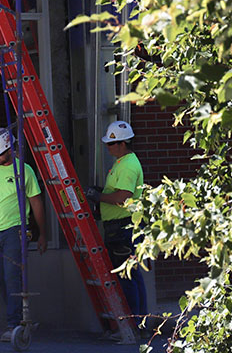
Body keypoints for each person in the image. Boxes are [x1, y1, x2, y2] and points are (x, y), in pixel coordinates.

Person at [0, 127, 47, 342]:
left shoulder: (24, 171)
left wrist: (43, 233)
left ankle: (15, 324)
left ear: (11, 149)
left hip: (17, 231)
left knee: (13, 278)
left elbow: (36, 203)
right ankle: (23, 318)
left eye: (1, 154)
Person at [85, 120, 148, 322]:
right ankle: (139, 322)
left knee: (127, 277)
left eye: (111, 143)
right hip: (120, 226)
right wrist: (103, 196)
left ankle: (134, 322)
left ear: (123, 143)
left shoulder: (128, 165)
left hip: (124, 228)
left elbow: (123, 197)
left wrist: (99, 197)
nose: (108, 146)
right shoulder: (122, 163)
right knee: (131, 276)